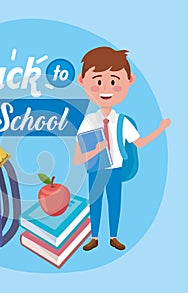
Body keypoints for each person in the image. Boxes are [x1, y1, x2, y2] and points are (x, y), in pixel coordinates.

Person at [73, 47, 170, 251]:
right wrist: (97, 148)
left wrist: (160, 130)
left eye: (114, 81)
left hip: (116, 170)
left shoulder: (122, 122)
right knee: (95, 205)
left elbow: (139, 143)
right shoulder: (89, 122)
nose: (105, 88)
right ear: (83, 81)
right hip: (95, 170)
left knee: (115, 204)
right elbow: (77, 158)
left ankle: (114, 237)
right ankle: (95, 237)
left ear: (129, 80)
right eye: (98, 82)